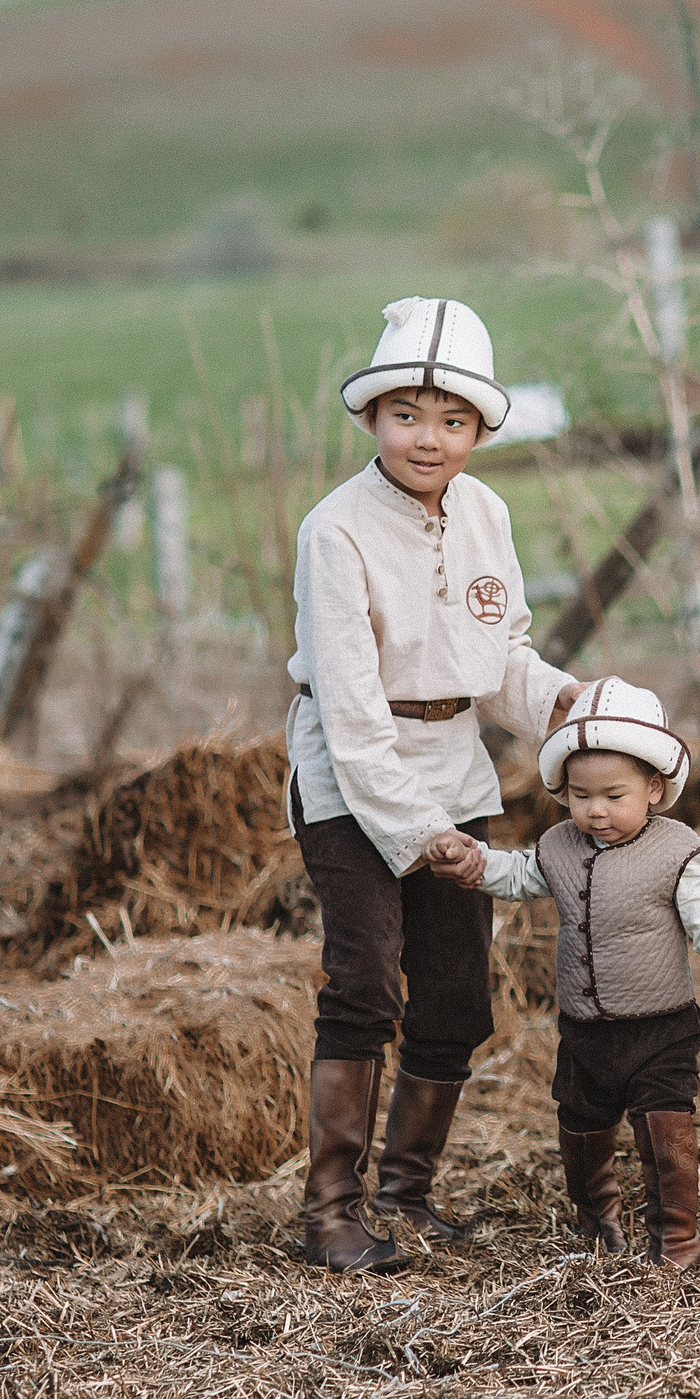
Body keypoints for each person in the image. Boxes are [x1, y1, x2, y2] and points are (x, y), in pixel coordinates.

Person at [285, 295, 581, 1274]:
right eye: (408, 414)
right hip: (350, 774)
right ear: (372, 418)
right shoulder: (336, 532)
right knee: (365, 981)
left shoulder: (486, 513)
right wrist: (421, 838)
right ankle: (332, 1211)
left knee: (455, 996)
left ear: (479, 430)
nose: (430, 437)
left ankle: (406, 1194)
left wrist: (567, 705)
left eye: (453, 420)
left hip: (454, 760)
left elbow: (500, 661)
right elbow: (353, 708)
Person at [432, 677, 700, 1270]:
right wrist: (475, 864)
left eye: (614, 795)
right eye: (581, 795)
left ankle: (677, 1237)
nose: (596, 810)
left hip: (661, 1027)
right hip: (585, 1028)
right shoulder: (559, 846)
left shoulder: (676, 851)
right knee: (581, 1125)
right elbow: (517, 876)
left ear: (655, 788)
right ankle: (597, 1221)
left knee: (666, 1126)